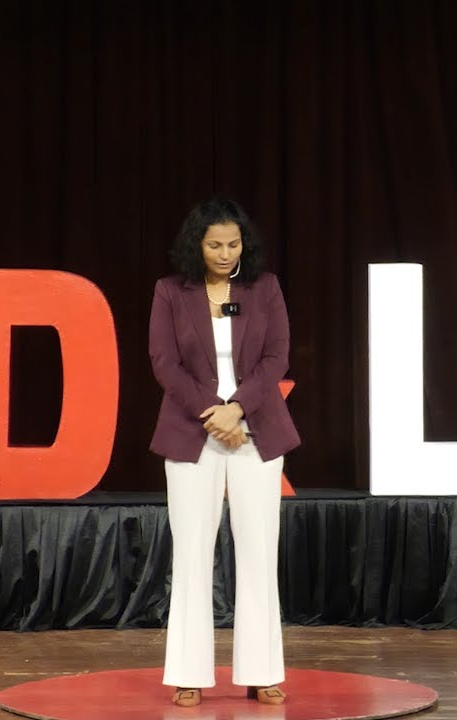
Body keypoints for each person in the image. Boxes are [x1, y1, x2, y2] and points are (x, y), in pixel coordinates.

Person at [148, 197, 301, 707]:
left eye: (233, 243)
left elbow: (277, 356)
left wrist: (237, 409)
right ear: (197, 244)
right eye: (214, 244)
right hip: (194, 433)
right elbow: (165, 363)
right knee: (192, 552)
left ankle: (262, 671)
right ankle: (188, 671)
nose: (224, 252)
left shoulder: (265, 288)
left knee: (258, 550)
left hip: (256, 430)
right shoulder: (171, 292)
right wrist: (213, 412)